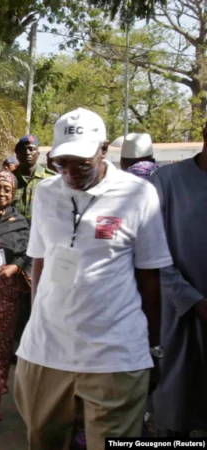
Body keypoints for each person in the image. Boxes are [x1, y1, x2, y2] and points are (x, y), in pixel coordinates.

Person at [13, 108, 172, 450]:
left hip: (114, 355)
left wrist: (153, 348)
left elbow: (150, 279)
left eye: (81, 163)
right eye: (62, 162)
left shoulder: (137, 195)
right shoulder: (46, 194)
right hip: (45, 353)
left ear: (103, 150)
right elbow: (40, 261)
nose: (70, 172)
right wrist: (36, 322)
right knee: (41, 441)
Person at [148, 123, 207, 437]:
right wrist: (193, 300)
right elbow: (152, 254)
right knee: (176, 416)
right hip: (179, 312)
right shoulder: (167, 182)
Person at [0, 169, 31, 425]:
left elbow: (29, 251)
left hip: (6, 293)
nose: (1, 193)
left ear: (13, 193)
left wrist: (16, 266)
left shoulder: (20, 221)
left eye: (7, 189)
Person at [13, 134, 56, 222]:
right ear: (17, 154)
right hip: (15, 232)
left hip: (42, 230)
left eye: (32, 149)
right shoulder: (9, 179)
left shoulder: (51, 179)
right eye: (24, 149)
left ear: (38, 154)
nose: (28, 153)